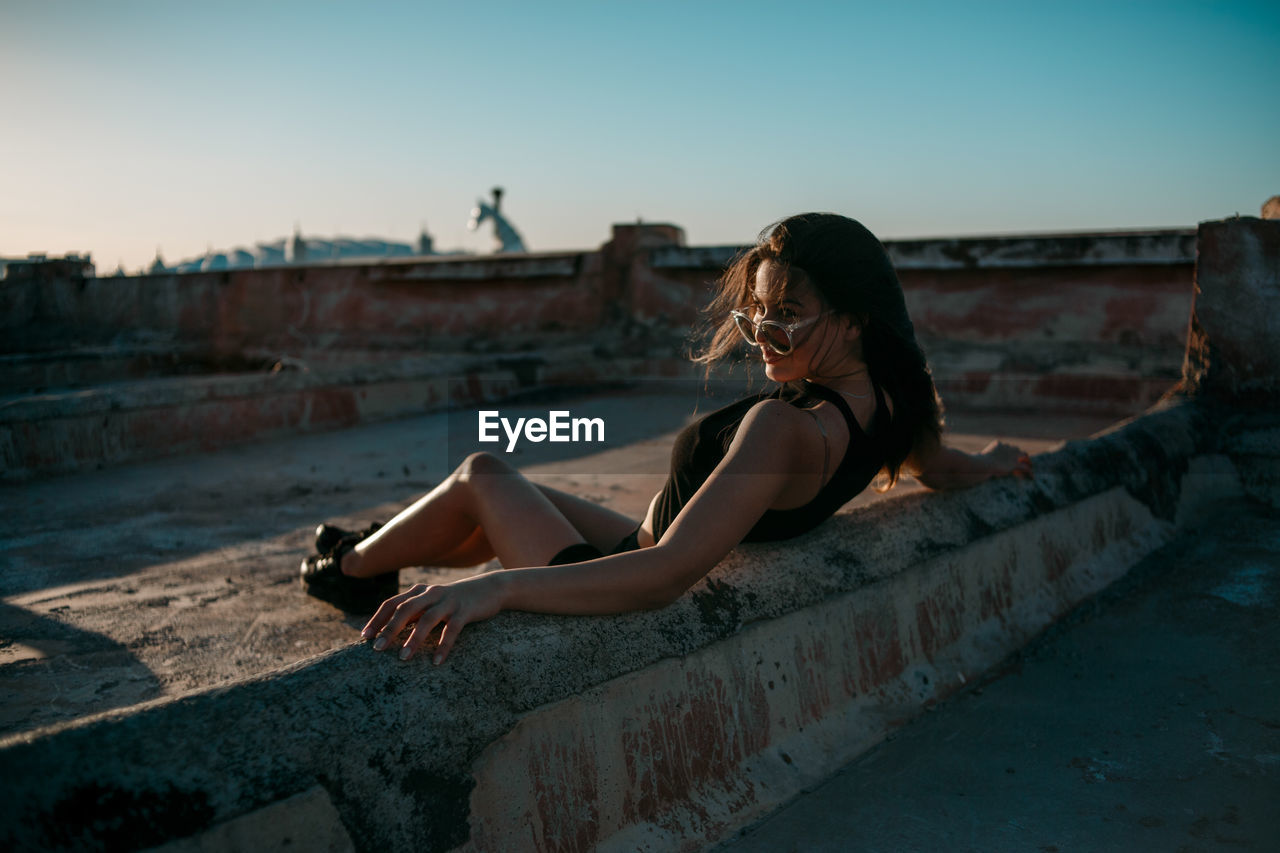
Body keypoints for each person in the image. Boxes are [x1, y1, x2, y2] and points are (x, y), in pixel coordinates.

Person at [300, 213, 1032, 664]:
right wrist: (995, 465)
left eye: (789, 314)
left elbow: (666, 573)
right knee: (495, 491)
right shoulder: (897, 401)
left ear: (854, 318)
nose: (762, 335)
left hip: (623, 570)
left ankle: (353, 565)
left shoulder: (785, 427)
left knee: (484, 471)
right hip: (642, 537)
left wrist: (497, 591)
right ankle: (368, 560)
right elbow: (938, 467)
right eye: (757, 313)